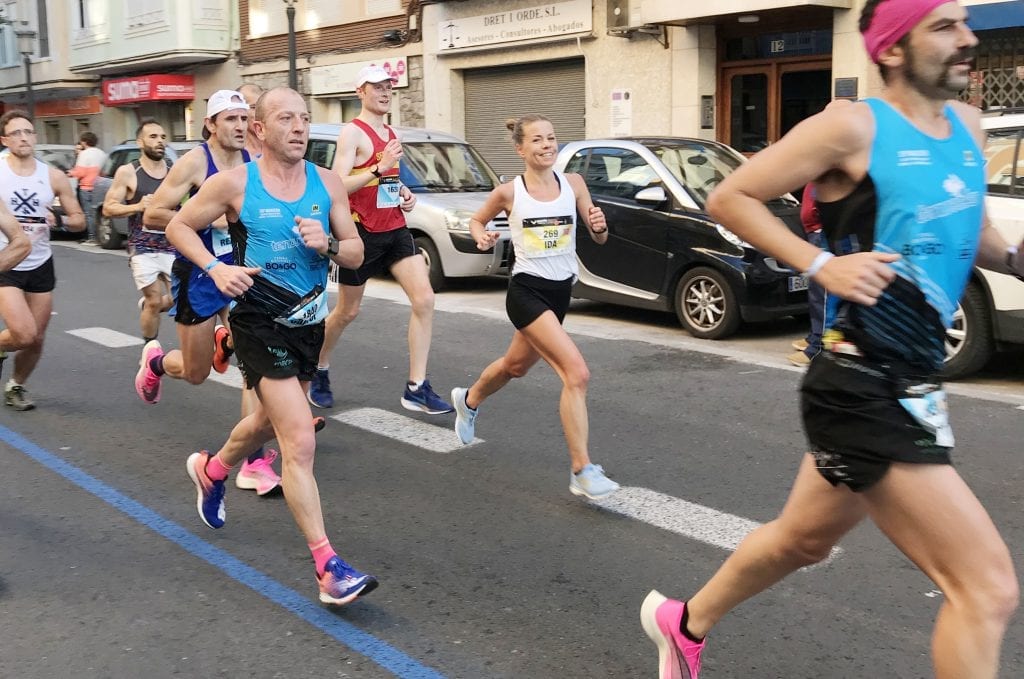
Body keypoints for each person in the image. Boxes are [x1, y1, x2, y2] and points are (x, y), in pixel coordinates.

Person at [641, 2, 1019, 678]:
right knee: (986, 589)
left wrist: (1015, 257)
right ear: (894, 49)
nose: (968, 38)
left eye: (965, 22)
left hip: (914, 382)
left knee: (802, 540)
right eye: (945, 26)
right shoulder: (851, 127)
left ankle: (682, 622)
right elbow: (731, 197)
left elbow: (975, 233)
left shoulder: (966, 124)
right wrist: (820, 263)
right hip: (860, 385)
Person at [167, 86, 377, 605]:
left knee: (266, 421)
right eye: (286, 118)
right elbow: (177, 225)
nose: (301, 127)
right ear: (260, 130)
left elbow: (355, 252)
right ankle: (328, 567)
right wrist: (216, 268)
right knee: (299, 441)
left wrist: (327, 243)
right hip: (258, 321)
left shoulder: (327, 184)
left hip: (308, 321)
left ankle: (212, 469)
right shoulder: (235, 184)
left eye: (305, 118)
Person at [450, 115, 620, 500]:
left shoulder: (573, 184)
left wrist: (598, 223)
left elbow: (599, 235)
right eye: (538, 140)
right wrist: (482, 236)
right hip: (526, 293)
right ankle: (582, 470)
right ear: (520, 149)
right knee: (576, 374)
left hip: (560, 292)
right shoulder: (510, 192)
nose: (547, 145)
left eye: (552, 138)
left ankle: (469, 399)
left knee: (515, 366)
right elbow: (477, 221)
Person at [307, 65, 452, 414]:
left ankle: (416, 387)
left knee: (425, 300)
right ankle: (318, 368)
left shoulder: (389, 131)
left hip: (395, 228)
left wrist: (403, 191)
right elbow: (338, 185)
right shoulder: (351, 134)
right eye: (377, 87)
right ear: (360, 92)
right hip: (360, 233)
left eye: (389, 87)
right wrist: (377, 166)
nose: (385, 93)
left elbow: (386, 177)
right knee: (347, 311)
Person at [138, 89, 253, 401]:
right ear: (211, 124)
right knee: (196, 373)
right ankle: (156, 363)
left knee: (256, 354)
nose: (240, 126)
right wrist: (207, 218)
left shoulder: (252, 161)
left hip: (238, 270)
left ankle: (269, 431)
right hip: (198, 273)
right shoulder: (194, 163)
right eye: (231, 119)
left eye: (244, 118)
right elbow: (153, 214)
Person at [0, 110, 85, 410]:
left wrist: (58, 218)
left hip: (40, 261)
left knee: (35, 339)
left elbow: (79, 221)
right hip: (6, 261)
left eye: (28, 132)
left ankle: (16, 386)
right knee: (22, 334)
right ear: (4, 139)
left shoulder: (52, 175)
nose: (23, 137)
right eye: (16, 133)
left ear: (35, 137)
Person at [102, 118, 174, 344]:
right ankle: (149, 350)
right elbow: (108, 207)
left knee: (180, 298)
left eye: (162, 137)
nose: (159, 141)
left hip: (173, 243)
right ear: (140, 142)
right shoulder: (128, 171)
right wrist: (138, 206)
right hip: (142, 245)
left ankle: (148, 307)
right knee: (154, 300)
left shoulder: (175, 171)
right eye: (153, 137)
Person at [787, 182, 825, 367]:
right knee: (815, 293)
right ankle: (814, 338)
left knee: (821, 295)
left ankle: (818, 347)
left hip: (820, 234)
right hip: (815, 234)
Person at [68, 131, 107, 244]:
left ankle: (92, 237)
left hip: (86, 187)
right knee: (97, 212)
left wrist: (70, 173)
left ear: (84, 142)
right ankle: (100, 236)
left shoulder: (84, 154)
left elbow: (80, 172)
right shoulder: (102, 153)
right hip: (99, 185)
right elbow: (104, 171)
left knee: (88, 213)